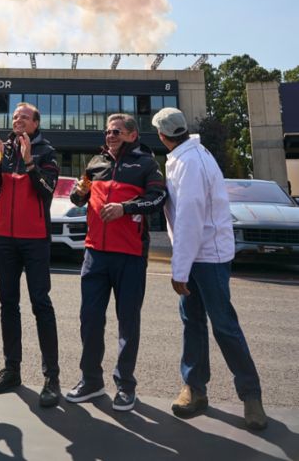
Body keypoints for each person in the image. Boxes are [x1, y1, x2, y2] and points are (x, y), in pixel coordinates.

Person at [152, 107, 267, 431]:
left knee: (223, 326)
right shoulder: (190, 155)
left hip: (205, 257)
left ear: (163, 136)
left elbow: (189, 219)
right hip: (200, 254)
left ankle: (251, 395)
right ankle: (195, 388)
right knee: (193, 323)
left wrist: (179, 270)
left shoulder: (189, 162)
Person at [65, 113, 166, 411]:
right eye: (108, 131)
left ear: (133, 135)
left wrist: (125, 208)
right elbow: (76, 198)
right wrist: (79, 192)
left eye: (118, 131)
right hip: (94, 253)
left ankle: (125, 385)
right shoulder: (95, 163)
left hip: (131, 255)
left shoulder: (146, 163)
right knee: (90, 319)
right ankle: (92, 381)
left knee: (128, 323)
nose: (111, 135)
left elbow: (159, 198)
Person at [0, 102, 61, 408]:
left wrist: (30, 162)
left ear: (36, 123)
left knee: (41, 304)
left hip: (35, 241)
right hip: (5, 239)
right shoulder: (5, 150)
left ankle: (51, 378)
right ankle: (11, 370)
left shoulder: (47, 152)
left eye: (24, 117)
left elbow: (46, 191)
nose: (18, 120)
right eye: (15, 117)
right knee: (7, 304)